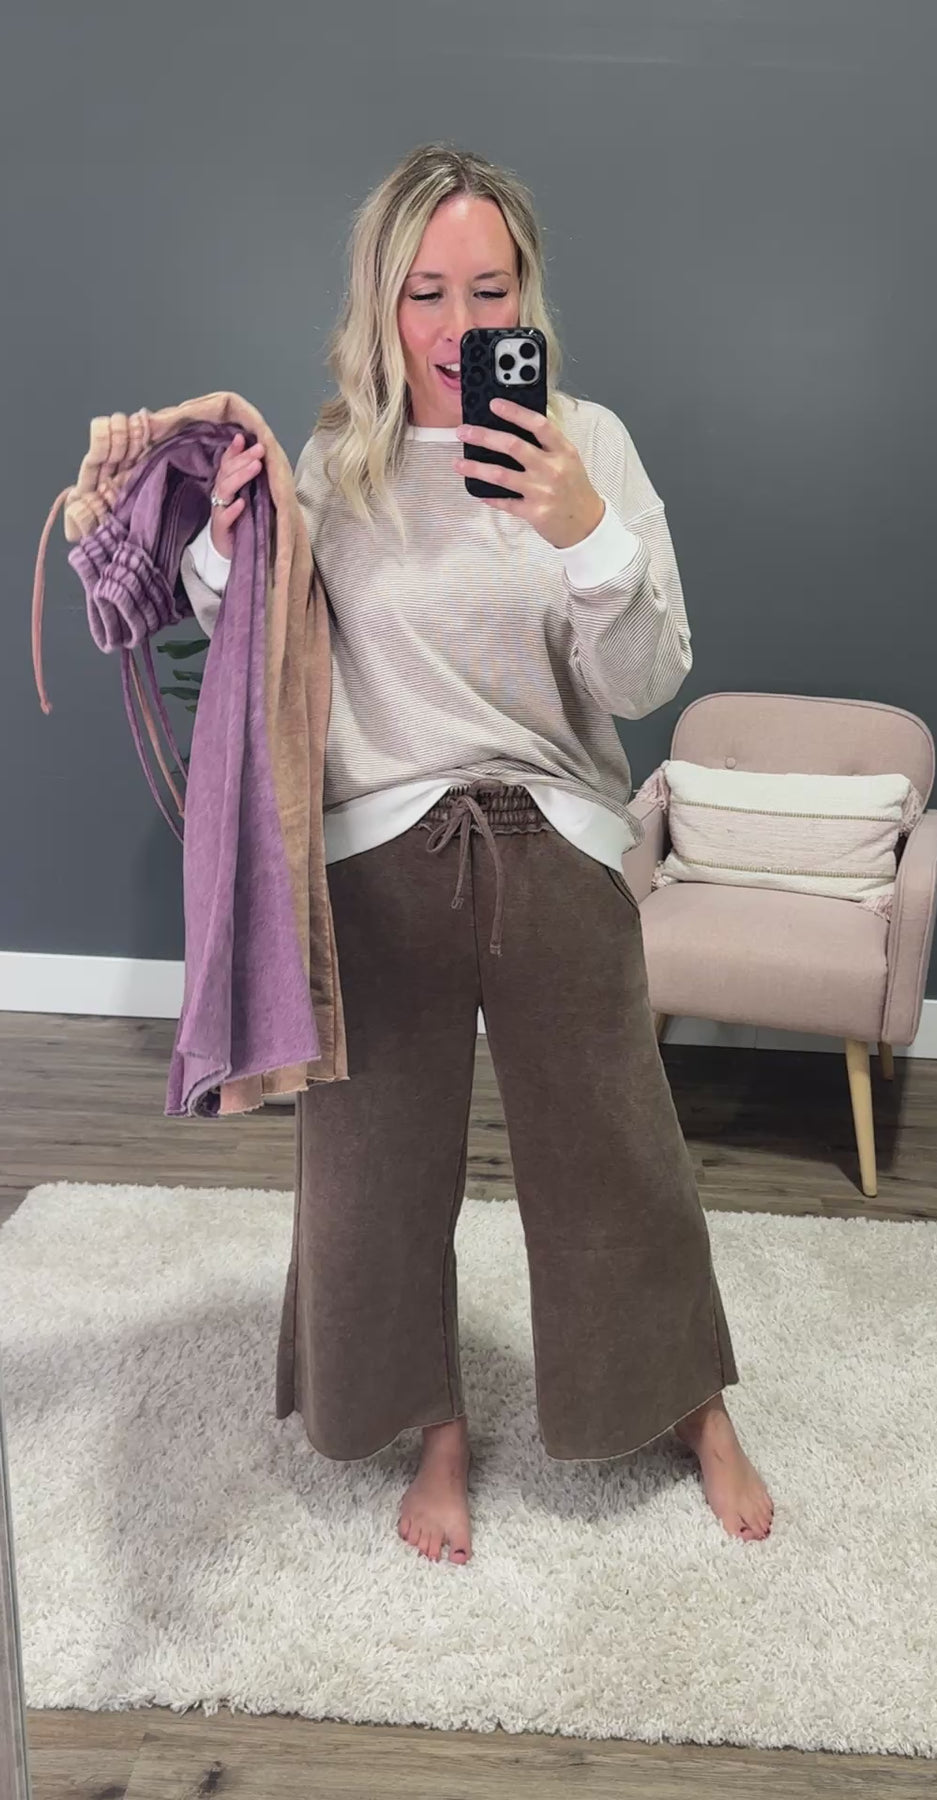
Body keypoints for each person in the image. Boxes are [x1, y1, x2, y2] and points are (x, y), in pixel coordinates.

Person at [180, 141, 774, 1565]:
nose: (459, 326)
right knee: (374, 1176)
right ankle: (433, 1428)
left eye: (488, 289)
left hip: (557, 839)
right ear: (382, 306)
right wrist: (221, 548)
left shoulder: (590, 446)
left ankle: (693, 1407)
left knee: (620, 1156)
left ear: (527, 294)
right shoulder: (338, 462)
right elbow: (253, 643)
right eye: (426, 293)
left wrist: (585, 534)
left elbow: (647, 680)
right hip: (381, 852)